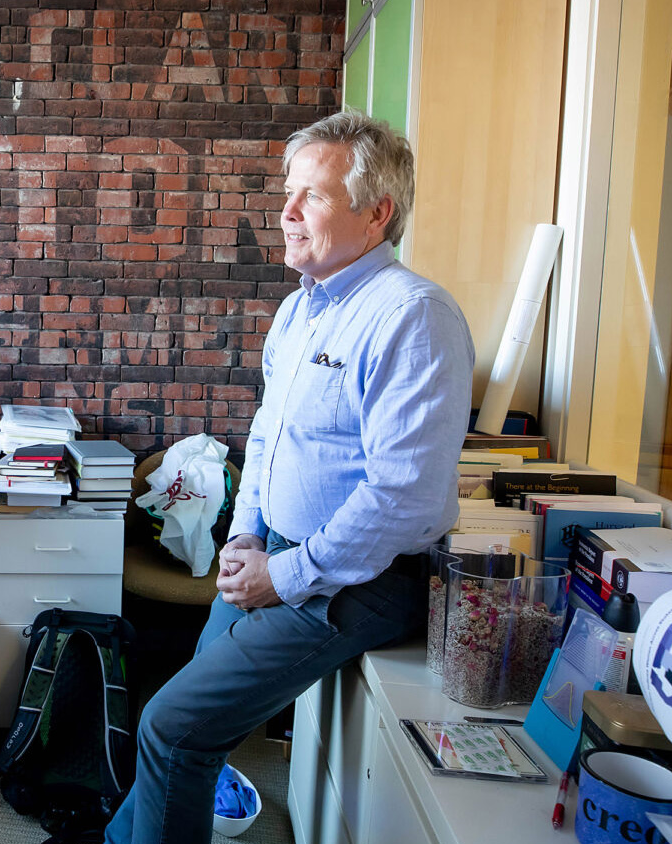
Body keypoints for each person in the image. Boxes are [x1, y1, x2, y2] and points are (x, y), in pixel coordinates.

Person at [104, 111, 475, 844]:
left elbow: (404, 496)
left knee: (171, 727)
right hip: (271, 551)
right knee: (180, 725)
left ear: (378, 213)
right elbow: (267, 442)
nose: (287, 211)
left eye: (314, 195)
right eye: (288, 190)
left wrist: (286, 574)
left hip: (356, 580)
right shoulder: (300, 311)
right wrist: (244, 537)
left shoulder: (413, 317)